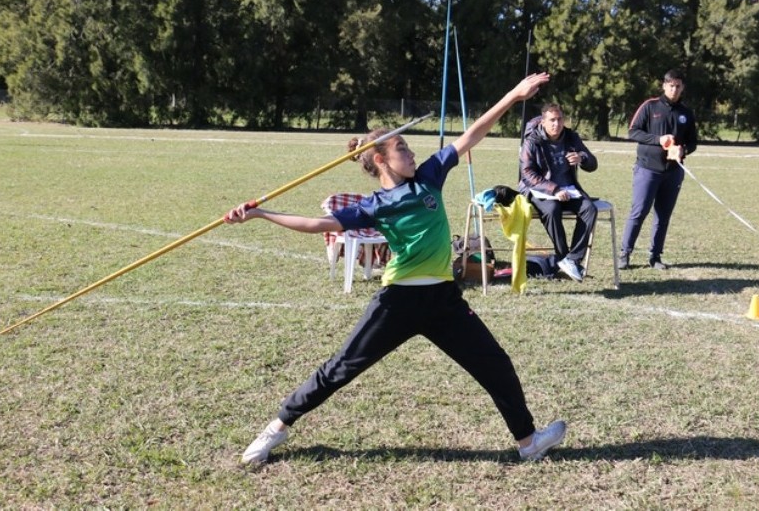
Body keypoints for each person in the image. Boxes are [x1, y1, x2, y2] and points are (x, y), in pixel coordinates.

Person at [224, 73, 567, 466]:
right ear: (381, 160)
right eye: (402, 148)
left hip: (444, 299)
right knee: (339, 369)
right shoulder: (375, 204)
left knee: (495, 365)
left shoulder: (429, 176)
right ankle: (277, 428)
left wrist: (514, 94)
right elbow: (318, 225)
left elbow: (473, 133)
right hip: (398, 303)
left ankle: (528, 442)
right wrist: (262, 214)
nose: (412, 153)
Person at [619, 69, 697, 270]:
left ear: (683, 88)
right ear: (664, 85)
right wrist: (658, 140)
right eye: (671, 85)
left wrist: (683, 149)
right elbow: (633, 132)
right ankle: (624, 254)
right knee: (639, 212)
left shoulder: (686, 114)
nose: (674, 89)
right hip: (647, 169)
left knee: (663, 216)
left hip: (672, 172)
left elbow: (693, 142)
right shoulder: (650, 106)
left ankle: (655, 256)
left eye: (678, 85)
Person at [517, 103, 598, 283]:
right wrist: (554, 189)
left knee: (589, 209)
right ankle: (563, 256)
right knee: (552, 209)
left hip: (569, 190)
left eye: (559, 119)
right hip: (540, 190)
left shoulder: (571, 137)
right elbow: (527, 174)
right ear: (543, 122)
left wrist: (581, 158)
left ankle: (573, 259)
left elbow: (593, 163)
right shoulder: (532, 141)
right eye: (552, 120)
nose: (556, 124)